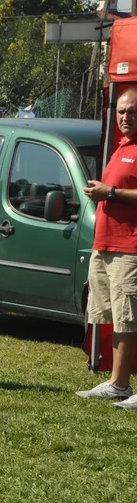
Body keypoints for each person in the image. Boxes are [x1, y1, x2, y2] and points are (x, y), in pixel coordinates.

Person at [79, 86, 137, 408]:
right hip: (106, 245)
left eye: (132, 112)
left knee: (131, 318)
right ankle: (118, 384)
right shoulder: (120, 148)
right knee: (118, 317)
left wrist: (110, 193)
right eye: (121, 112)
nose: (125, 117)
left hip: (130, 248)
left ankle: (122, 384)